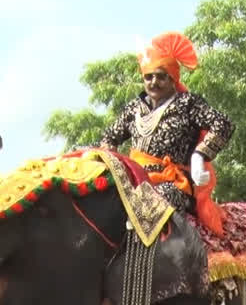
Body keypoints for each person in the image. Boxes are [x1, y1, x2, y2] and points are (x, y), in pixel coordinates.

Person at [99, 31, 235, 216]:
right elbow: (109, 137)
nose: (154, 82)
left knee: (154, 201)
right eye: (149, 77)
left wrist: (199, 156)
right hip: (134, 180)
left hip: (172, 184)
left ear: (172, 79)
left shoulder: (187, 103)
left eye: (161, 76)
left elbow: (223, 124)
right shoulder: (134, 108)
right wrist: (112, 164)